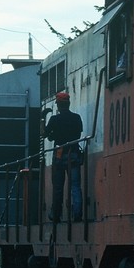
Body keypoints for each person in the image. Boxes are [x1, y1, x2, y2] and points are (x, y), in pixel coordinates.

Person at [44, 91, 83, 221]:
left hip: (59, 156)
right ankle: (77, 214)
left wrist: (43, 120)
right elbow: (77, 135)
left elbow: (44, 135)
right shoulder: (77, 118)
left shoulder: (55, 119)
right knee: (75, 186)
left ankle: (56, 214)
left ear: (59, 105)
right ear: (69, 103)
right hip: (74, 154)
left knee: (58, 187)